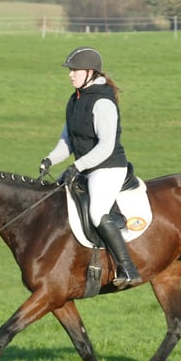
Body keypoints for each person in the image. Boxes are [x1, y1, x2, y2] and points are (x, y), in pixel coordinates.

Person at [38, 46, 142, 289]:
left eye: (75, 70)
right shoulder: (75, 100)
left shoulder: (103, 102)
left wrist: (77, 166)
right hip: (86, 167)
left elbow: (106, 146)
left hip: (108, 167)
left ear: (90, 72)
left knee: (96, 212)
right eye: (70, 70)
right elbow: (67, 141)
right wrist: (50, 160)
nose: (70, 74)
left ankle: (128, 268)